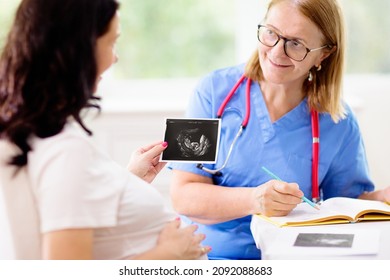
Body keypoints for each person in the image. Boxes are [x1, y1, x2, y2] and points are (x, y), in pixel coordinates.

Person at [168, 0, 390, 260]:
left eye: (296, 43)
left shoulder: (339, 120)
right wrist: (254, 200)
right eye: (271, 33)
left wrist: (382, 198)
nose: (276, 52)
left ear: (324, 54)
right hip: (208, 257)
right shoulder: (211, 91)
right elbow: (182, 195)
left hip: (292, 261)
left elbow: (346, 204)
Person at [0, 0, 211, 260]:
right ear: (79, 49)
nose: (115, 57)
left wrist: (128, 181)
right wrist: (169, 253)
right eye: (111, 43)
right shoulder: (65, 149)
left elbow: (75, 202)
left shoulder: (37, 131)